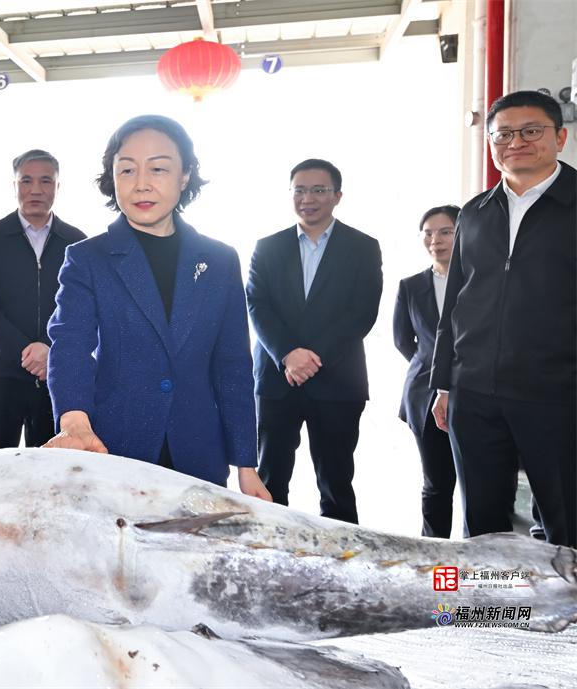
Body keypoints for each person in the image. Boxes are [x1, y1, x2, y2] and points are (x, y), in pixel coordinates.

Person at [45, 114, 270, 500]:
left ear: (184, 177)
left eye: (159, 169)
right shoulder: (87, 258)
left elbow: (232, 365)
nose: (142, 184)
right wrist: (74, 420)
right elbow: (70, 344)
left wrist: (246, 466)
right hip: (114, 447)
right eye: (127, 169)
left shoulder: (219, 260)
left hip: (199, 451)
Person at [431, 90, 576, 547]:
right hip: (475, 396)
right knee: (483, 528)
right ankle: (493, 613)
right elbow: (455, 302)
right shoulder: (473, 213)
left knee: (566, 522)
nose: (517, 142)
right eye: (504, 134)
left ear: (561, 137)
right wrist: (444, 383)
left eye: (532, 131)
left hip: (557, 395)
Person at [246, 159, 382, 522]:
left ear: (337, 196)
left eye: (319, 190)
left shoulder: (363, 247)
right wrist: (288, 355)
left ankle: (341, 564)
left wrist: (311, 358)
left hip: (337, 382)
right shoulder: (267, 247)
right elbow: (257, 305)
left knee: (336, 482)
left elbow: (362, 313)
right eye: (300, 190)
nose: (308, 198)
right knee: (270, 479)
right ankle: (268, 555)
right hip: (277, 380)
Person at [0, 150, 86, 449]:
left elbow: (81, 310)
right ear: (15, 186)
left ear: (58, 187)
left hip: (55, 376)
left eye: (46, 181)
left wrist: (50, 354)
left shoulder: (78, 242)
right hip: (0, 373)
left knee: (53, 472)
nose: (36, 190)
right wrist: (25, 351)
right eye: (26, 181)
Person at [393, 205, 460, 538]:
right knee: (436, 485)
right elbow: (403, 340)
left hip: (477, 392)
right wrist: (433, 369)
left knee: (482, 485)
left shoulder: (483, 280)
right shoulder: (409, 286)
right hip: (425, 395)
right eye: (428, 233)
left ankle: (481, 567)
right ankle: (436, 566)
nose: (436, 240)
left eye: (446, 231)